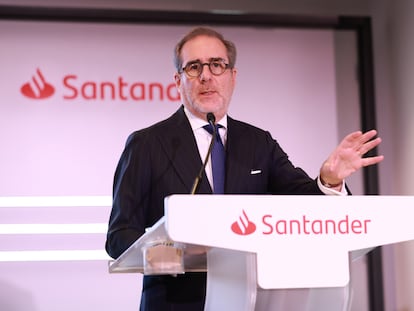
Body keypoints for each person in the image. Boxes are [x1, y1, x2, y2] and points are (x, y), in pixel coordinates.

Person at [105, 26, 384, 311]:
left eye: (217, 65)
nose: (206, 75)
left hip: (251, 301)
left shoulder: (258, 142)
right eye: (193, 67)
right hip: (176, 303)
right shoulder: (147, 144)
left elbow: (304, 203)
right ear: (178, 81)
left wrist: (329, 179)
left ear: (232, 77)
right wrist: (172, 251)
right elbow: (119, 237)